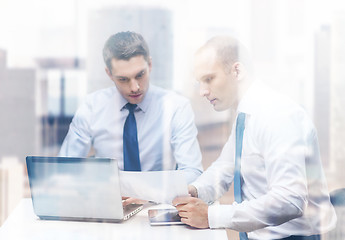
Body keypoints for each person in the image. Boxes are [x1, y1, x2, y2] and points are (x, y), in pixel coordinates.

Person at [173, 36, 337, 240]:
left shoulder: (276, 116)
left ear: (237, 71)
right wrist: (194, 191)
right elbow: (224, 168)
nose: (203, 92)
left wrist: (211, 215)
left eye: (209, 79)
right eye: (199, 82)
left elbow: (289, 200)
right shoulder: (246, 114)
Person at [59, 31, 203, 188]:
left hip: (158, 203)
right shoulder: (91, 107)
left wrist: (151, 191)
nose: (135, 87)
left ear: (150, 65)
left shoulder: (176, 107)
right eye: (123, 79)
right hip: (108, 203)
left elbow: (193, 172)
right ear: (109, 73)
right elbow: (65, 168)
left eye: (140, 75)